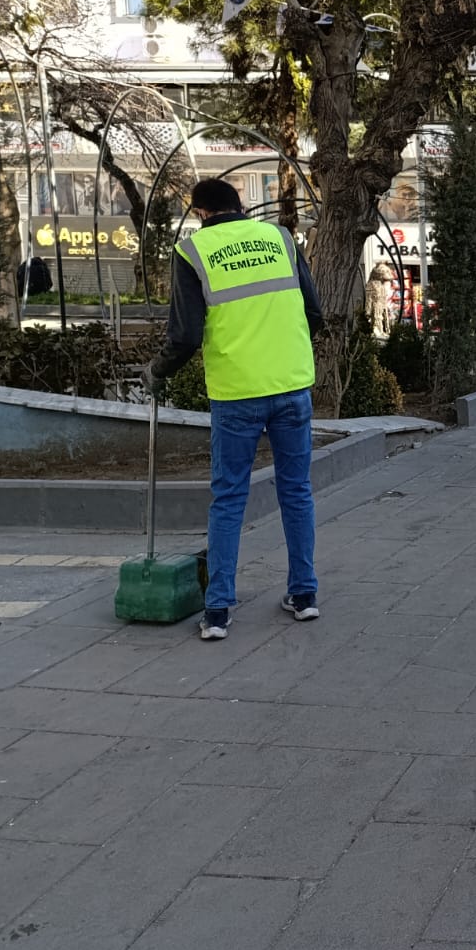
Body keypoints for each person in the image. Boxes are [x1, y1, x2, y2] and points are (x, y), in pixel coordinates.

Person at [146, 178, 324, 642]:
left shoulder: (193, 251)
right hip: (291, 386)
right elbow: (315, 312)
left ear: (200, 212)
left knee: (229, 499)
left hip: (236, 393)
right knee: (296, 491)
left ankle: (219, 611)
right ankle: (304, 596)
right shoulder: (280, 238)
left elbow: (184, 336)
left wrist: (157, 372)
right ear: (239, 205)